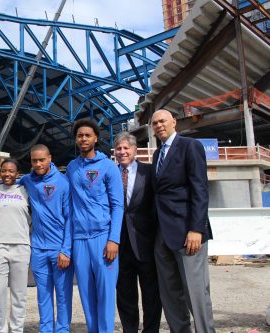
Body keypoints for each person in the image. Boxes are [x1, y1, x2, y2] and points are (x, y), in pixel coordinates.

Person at [0, 144, 73, 333]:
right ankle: (46, 330)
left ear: (50, 158)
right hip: (38, 247)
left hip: (58, 248)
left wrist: (66, 249)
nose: (38, 164)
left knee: (63, 295)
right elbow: (8, 181)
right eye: (34, 160)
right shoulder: (28, 181)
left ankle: (62, 330)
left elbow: (70, 218)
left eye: (42, 160)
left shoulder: (63, 182)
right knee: (43, 295)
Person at [151, 109, 215, 333]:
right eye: (155, 123)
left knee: (196, 293)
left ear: (174, 123)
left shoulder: (190, 146)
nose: (159, 125)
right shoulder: (157, 155)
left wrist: (197, 228)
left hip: (188, 233)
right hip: (163, 234)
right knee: (170, 294)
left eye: (163, 121)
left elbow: (200, 188)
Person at [65, 119, 123, 333]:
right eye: (80, 135)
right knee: (87, 296)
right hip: (79, 240)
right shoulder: (71, 168)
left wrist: (113, 239)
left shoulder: (108, 166)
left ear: (96, 138)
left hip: (103, 238)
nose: (83, 139)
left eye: (87, 135)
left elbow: (118, 206)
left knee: (106, 295)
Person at [114, 132, 162, 333]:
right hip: (119, 244)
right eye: (119, 148)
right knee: (125, 295)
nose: (123, 152)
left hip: (146, 243)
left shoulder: (149, 172)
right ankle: (129, 330)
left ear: (135, 150)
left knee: (151, 294)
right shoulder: (111, 173)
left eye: (126, 148)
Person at [0, 158, 31, 333]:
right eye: (4, 170)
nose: (7, 174)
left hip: (20, 246)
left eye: (11, 171)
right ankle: (0, 329)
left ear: (17, 174)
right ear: (0, 172)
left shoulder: (26, 191)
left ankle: (17, 329)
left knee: (19, 294)